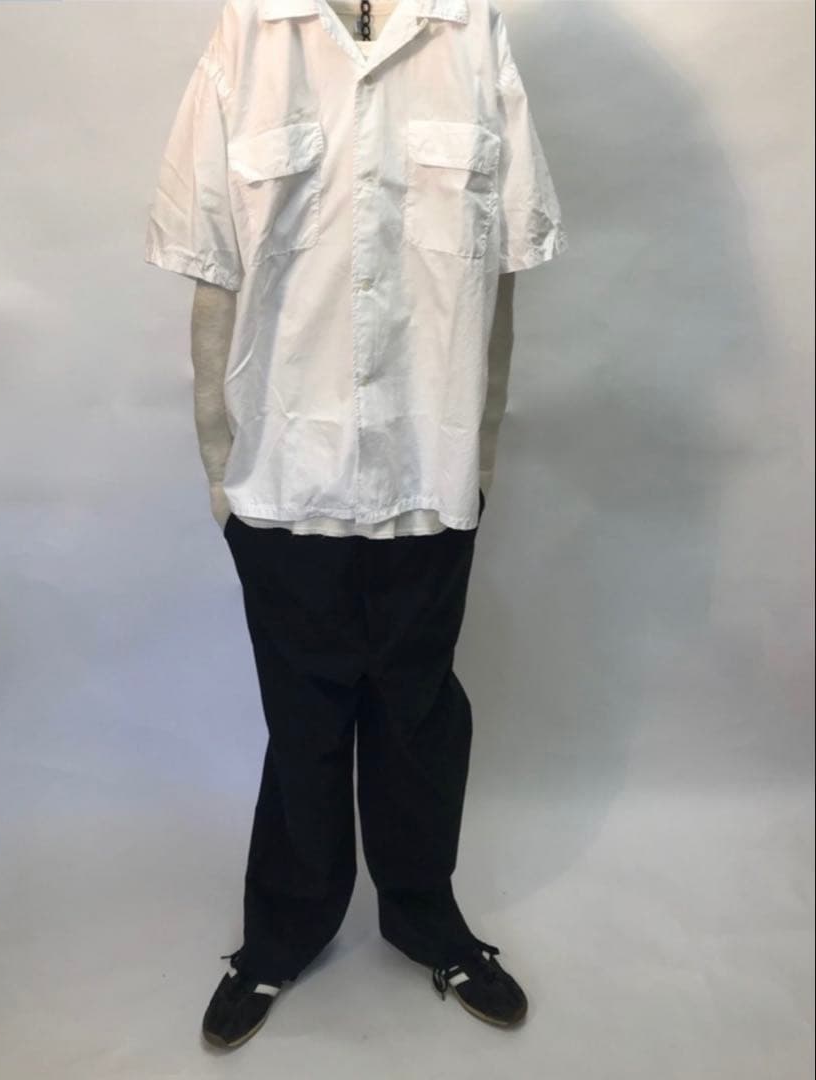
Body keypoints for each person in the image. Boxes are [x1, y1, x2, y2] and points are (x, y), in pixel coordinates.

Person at [144, 0, 568, 1050]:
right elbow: (209, 269)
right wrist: (218, 464)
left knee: (418, 711)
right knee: (303, 716)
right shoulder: (249, 38)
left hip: (428, 466)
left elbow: (502, 275)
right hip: (284, 470)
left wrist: (477, 455)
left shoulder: (469, 36)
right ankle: (281, 931)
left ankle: (426, 918)